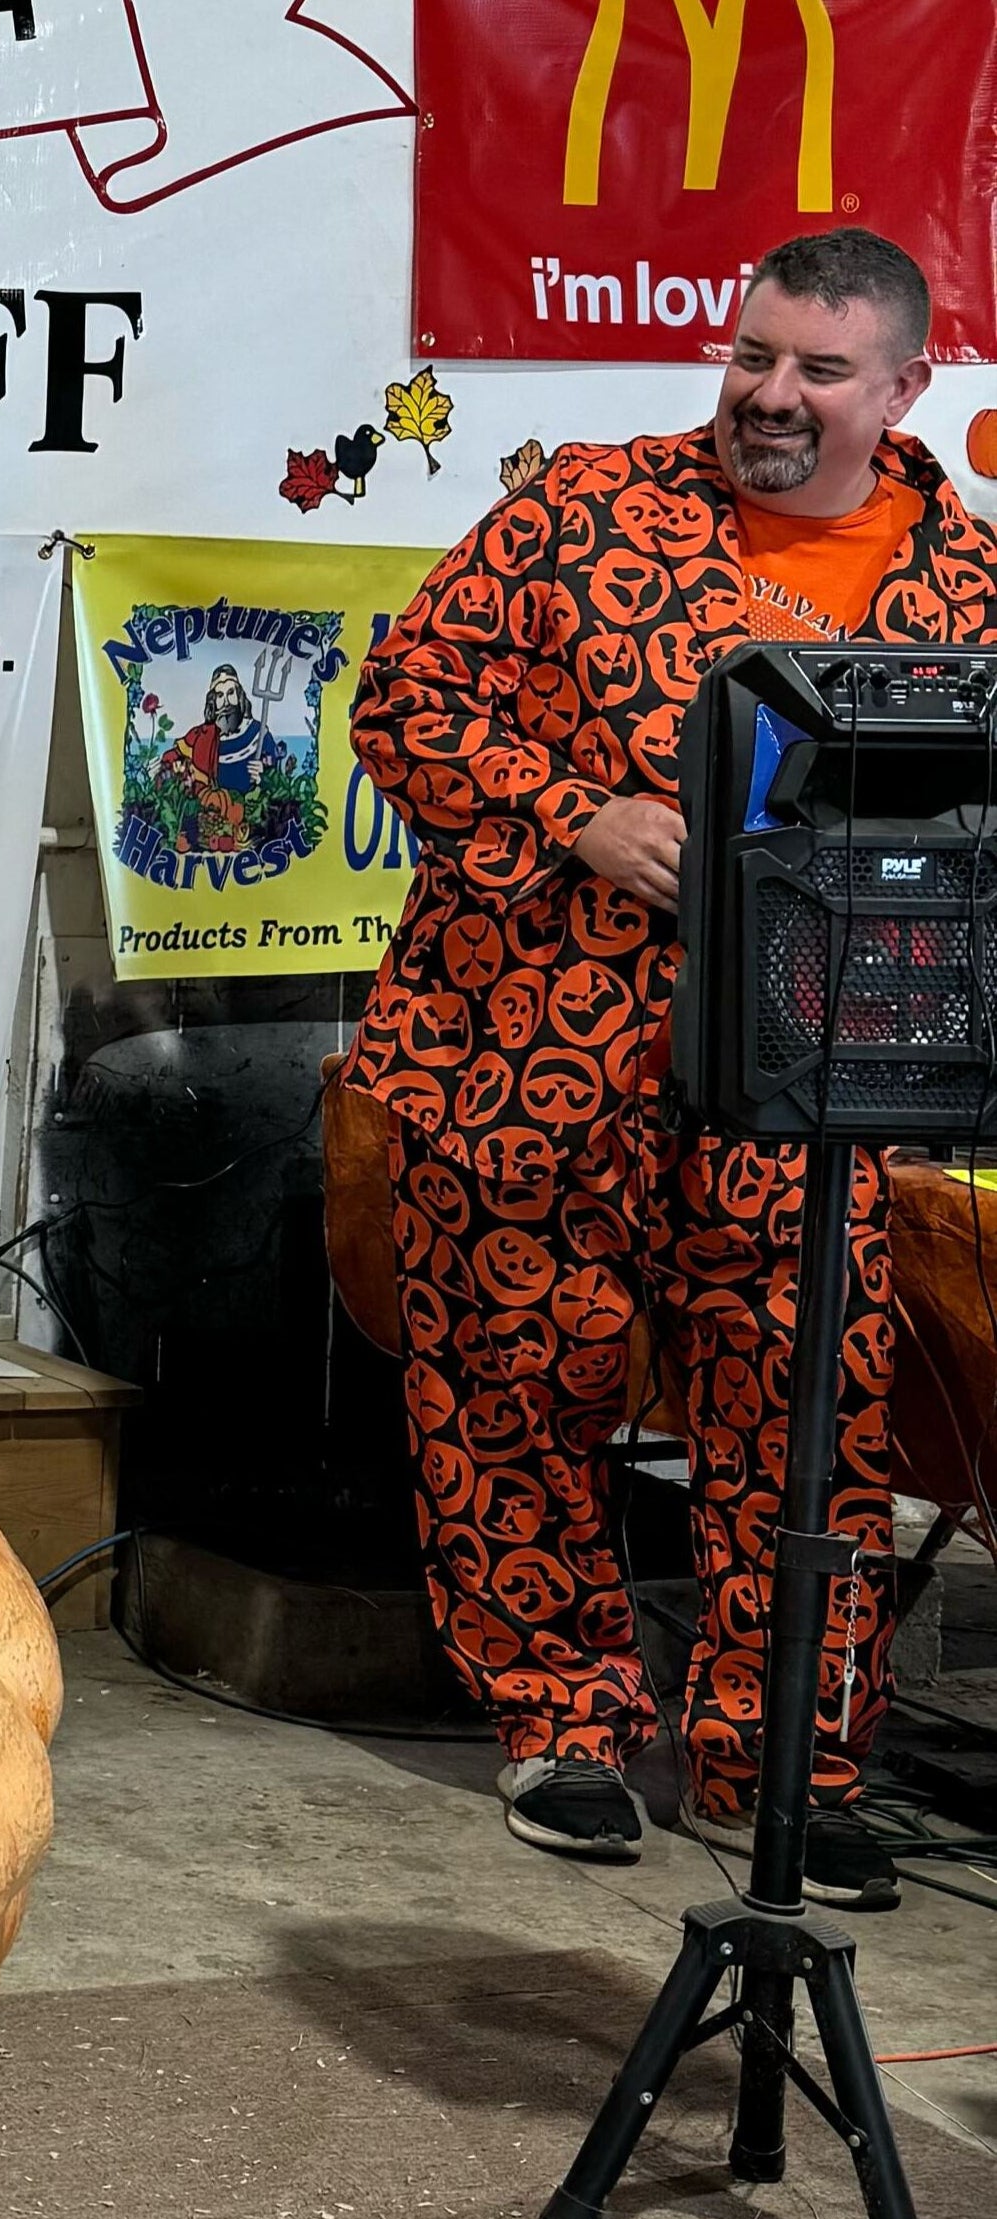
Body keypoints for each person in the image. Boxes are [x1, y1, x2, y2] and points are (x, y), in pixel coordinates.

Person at [343, 227, 997, 1893]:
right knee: (513, 1388)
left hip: (809, 1086)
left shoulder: (969, 597)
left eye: (817, 370)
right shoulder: (581, 507)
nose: (769, 395)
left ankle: (773, 1764)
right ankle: (557, 1721)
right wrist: (574, 813)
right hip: (527, 1049)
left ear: (904, 387)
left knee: (806, 1417)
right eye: (752, 354)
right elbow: (404, 699)